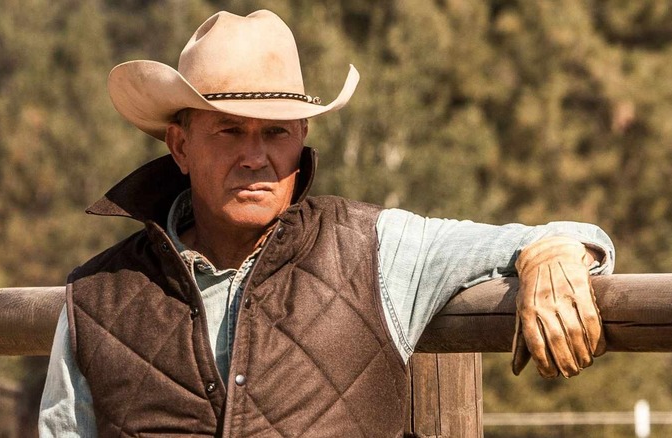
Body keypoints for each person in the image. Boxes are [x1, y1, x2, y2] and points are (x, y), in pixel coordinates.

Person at [39, 9, 615, 437]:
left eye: (276, 131)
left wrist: (553, 255)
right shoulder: (96, 297)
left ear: (301, 141)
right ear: (180, 145)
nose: (255, 155)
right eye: (229, 130)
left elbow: (553, 236)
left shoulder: (378, 249)